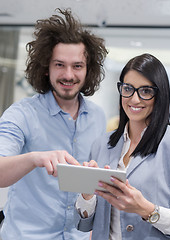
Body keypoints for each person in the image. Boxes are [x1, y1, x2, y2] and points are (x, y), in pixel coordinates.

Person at [0, 8, 108, 239]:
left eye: (77, 66)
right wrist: (35, 158)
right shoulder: (22, 114)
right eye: (59, 65)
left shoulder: (98, 117)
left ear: (88, 70)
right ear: (46, 68)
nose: (68, 75)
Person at [75, 53, 170, 239]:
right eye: (128, 88)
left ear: (159, 95)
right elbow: (84, 223)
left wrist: (146, 209)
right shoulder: (102, 144)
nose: (134, 99)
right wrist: (87, 195)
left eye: (145, 91)